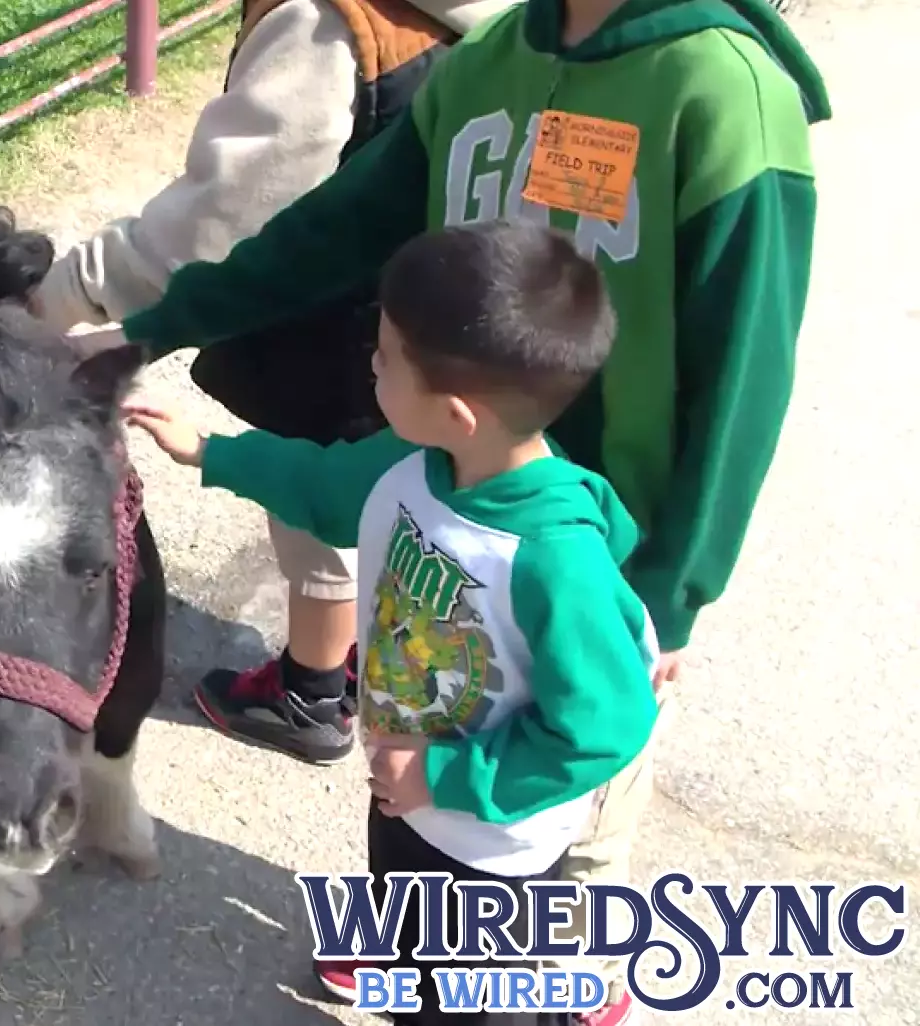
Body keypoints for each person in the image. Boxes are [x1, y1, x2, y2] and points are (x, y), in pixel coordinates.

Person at [105, 0, 827, 1020]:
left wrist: (669, 597)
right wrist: (157, 328)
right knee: (415, 750)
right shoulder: (485, 60)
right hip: (455, 486)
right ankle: (413, 935)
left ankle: (560, 968)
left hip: (601, 553)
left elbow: (745, 373)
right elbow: (332, 230)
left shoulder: (723, 96)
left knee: (571, 816)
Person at [125, 220, 661, 1026]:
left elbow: (602, 729)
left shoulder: (551, 557)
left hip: (490, 848)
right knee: (402, 897)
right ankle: (399, 954)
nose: (369, 364)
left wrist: (441, 780)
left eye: (384, 357)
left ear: (456, 412)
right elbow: (322, 485)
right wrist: (208, 451)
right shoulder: (413, 461)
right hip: (407, 781)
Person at [34, 0, 518, 767]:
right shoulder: (514, 23)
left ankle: (312, 690)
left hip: (341, 326)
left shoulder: (329, 22)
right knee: (399, 485)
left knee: (314, 501)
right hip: (449, 306)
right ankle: (365, 655)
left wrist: (63, 297)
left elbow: (226, 217)